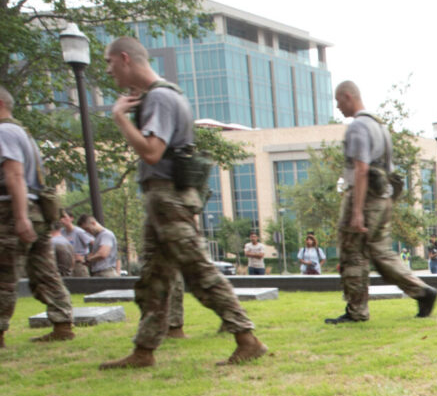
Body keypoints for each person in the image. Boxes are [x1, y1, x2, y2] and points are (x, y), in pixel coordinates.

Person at [99, 36, 266, 368]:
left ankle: (247, 338)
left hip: (168, 197)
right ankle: (144, 351)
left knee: (198, 271)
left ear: (125, 58)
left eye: (109, 62)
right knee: (154, 278)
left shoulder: (160, 98)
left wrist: (119, 117)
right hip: (166, 198)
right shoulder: (164, 95)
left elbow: (151, 151)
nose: (108, 70)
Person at [326, 80, 437, 325]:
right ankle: (423, 292)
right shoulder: (380, 127)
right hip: (383, 198)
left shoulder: (357, 127)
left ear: (347, 96)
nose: (338, 107)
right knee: (381, 253)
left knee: (353, 253)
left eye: (338, 101)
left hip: (365, 199)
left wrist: (356, 211)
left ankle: (356, 311)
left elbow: (361, 168)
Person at [0, 85, 78, 346]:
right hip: (38, 212)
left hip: (12, 211)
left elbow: (14, 175)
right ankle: (62, 323)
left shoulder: (4, 132)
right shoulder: (23, 133)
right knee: (45, 271)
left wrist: (20, 216)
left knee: (4, 274)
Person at [58, 209, 93, 277]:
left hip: (79, 264)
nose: (62, 220)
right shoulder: (61, 232)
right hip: (66, 265)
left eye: (64, 217)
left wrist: (87, 258)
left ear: (71, 218)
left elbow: (94, 243)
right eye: (60, 218)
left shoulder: (79, 232)